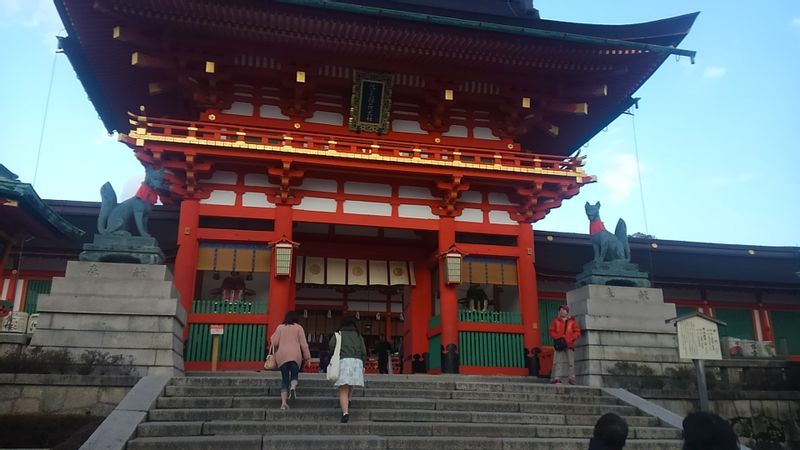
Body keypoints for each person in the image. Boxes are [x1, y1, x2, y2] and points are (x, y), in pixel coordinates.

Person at [270, 311, 311, 410]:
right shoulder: (298, 328)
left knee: (285, 379)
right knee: (294, 375)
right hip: (295, 355)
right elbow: (304, 345)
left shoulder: (280, 328)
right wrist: (308, 357)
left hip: (282, 356)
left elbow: (274, 342)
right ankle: (293, 387)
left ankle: (283, 403)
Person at [329, 315, 367, 423]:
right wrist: (363, 363)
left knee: (343, 389)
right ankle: (349, 399)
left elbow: (331, 345)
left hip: (344, 361)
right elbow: (364, 351)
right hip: (357, 361)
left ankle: (345, 413)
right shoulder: (358, 335)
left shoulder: (339, 334)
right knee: (352, 381)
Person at [549, 304, 581, 385]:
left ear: (567, 311)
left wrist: (570, 339)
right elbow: (551, 331)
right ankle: (557, 378)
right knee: (558, 361)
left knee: (571, 362)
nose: (562, 311)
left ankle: (571, 378)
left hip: (569, 344)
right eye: (561, 310)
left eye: (563, 310)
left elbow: (577, 332)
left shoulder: (572, 321)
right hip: (559, 343)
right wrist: (557, 337)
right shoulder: (555, 321)